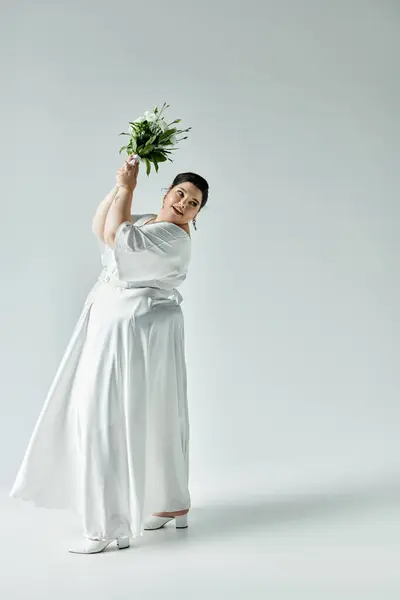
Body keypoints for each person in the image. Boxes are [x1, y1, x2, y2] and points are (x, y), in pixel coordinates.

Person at [9, 154, 209, 554]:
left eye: (194, 203)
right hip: (116, 324)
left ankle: (108, 526)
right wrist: (120, 184)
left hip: (133, 329)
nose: (184, 204)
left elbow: (119, 237)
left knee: (107, 417)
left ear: (197, 214)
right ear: (167, 191)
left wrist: (128, 189)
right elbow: (103, 226)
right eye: (181, 193)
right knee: (143, 414)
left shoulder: (174, 237)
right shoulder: (152, 220)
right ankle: (171, 505)